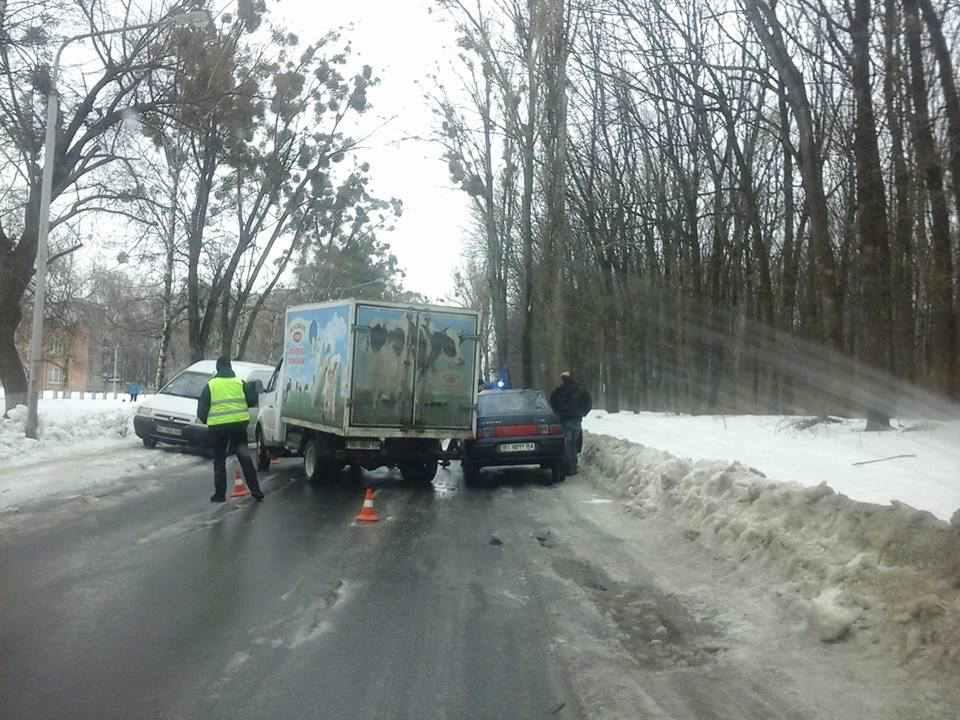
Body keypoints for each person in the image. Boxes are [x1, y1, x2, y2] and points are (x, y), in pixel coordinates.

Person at [198, 356, 264, 502]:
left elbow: (202, 407)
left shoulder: (211, 385)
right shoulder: (240, 383)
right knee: (245, 458)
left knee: (219, 460)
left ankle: (220, 495)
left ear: (218, 368)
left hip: (218, 428)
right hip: (238, 426)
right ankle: (256, 491)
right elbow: (251, 401)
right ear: (230, 367)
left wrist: (205, 420)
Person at [549, 371, 592, 475]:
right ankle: (573, 466)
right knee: (573, 444)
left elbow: (552, 403)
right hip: (576, 420)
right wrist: (583, 413)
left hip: (565, 420)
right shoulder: (580, 390)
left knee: (568, 444)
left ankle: (569, 467)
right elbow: (588, 403)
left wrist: (558, 413)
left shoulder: (559, 391)